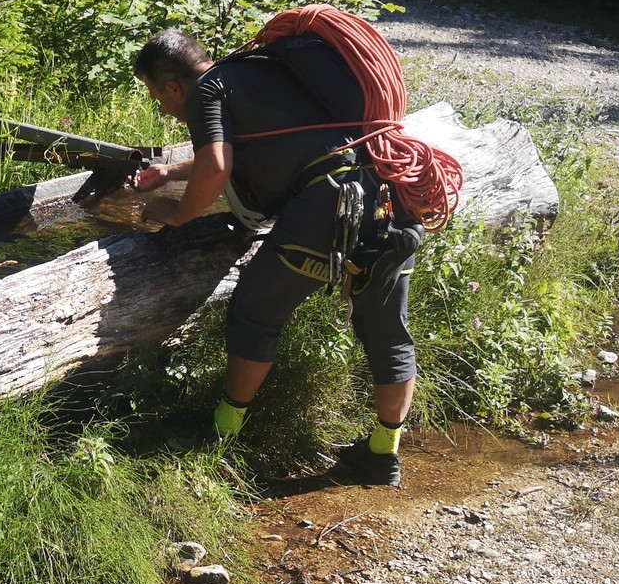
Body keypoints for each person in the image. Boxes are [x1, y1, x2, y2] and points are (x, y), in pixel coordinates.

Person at [131, 26, 424, 486]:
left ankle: (220, 437)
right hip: (388, 192)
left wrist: (178, 213)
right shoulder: (261, 68)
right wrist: (170, 170)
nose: (162, 106)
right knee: (387, 329)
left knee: (255, 313)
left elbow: (219, 165)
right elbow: (262, 145)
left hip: (327, 206)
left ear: (171, 85)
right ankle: (382, 455)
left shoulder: (206, 90)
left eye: (156, 95)